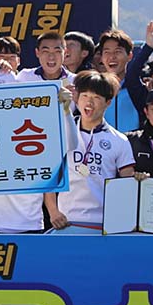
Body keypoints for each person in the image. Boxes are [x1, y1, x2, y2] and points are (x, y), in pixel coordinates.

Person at [46, 71, 136, 230]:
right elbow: (50, 177)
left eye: (96, 98)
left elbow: (128, 183)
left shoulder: (120, 140)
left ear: (108, 102)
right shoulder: (61, 131)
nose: (89, 102)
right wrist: (53, 212)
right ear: (76, 98)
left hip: (103, 224)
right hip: (67, 221)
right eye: (85, 96)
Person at [96, 29, 139, 132]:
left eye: (118, 52)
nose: (112, 57)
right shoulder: (94, 88)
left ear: (130, 56)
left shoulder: (137, 88)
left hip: (133, 141)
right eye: (107, 52)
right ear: (101, 58)